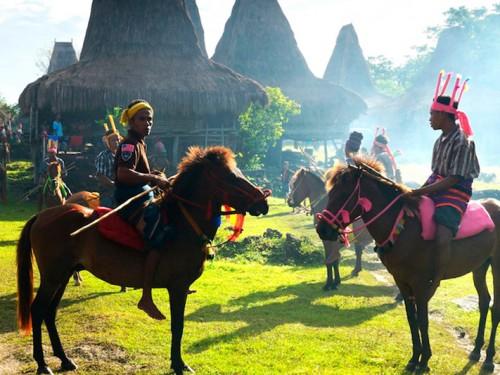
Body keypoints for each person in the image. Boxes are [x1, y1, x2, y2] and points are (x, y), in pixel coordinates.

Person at [404, 72, 479, 286]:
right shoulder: (439, 141)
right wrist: (415, 191)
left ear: (445, 116)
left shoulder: (463, 141)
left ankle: (436, 276)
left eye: (432, 114)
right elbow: (436, 173)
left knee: (443, 233)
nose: (429, 119)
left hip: (456, 192)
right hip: (438, 188)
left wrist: (420, 192)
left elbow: (454, 178)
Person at [114, 99, 173, 320]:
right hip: (131, 202)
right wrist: (152, 178)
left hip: (143, 197)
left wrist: (157, 177)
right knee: (157, 237)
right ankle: (146, 297)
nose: (147, 123)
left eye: (150, 119)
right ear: (131, 121)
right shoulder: (129, 144)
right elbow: (123, 174)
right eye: (142, 119)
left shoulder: (140, 144)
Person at [95, 129, 122, 207]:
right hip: (108, 191)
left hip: (122, 188)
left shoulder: (122, 155)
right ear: (107, 142)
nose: (117, 142)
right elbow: (100, 175)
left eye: (118, 139)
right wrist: (113, 184)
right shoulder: (103, 156)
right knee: (108, 209)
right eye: (113, 140)